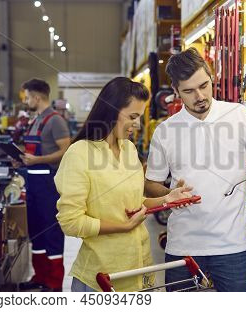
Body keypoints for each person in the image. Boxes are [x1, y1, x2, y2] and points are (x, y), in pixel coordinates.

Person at [144, 48, 246, 292]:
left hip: (232, 245)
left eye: (204, 85)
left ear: (211, 76)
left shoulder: (238, 115)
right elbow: (151, 183)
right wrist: (169, 196)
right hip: (183, 245)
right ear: (175, 92)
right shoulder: (165, 131)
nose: (200, 96)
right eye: (189, 91)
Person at [54, 77, 194, 292]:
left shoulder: (128, 149)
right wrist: (123, 226)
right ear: (111, 111)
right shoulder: (79, 154)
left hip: (138, 271)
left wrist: (168, 199)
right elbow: (71, 222)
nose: (138, 124)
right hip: (101, 279)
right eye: (133, 116)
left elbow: (136, 201)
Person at [18, 78, 71, 291]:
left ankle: (54, 282)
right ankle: (39, 276)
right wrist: (20, 158)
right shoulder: (36, 119)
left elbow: (66, 151)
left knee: (51, 234)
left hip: (49, 186)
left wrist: (37, 160)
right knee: (37, 233)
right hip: (32, 185)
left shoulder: (55, 120)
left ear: (37, 97)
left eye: (28, 97)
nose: (27, 101)